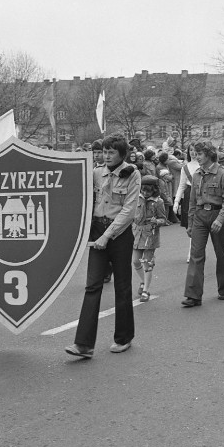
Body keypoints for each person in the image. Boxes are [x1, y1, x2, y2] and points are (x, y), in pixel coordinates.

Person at [66, 134, 141, 358]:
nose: (106, 156)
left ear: (122, 154)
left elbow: (128, 211)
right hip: (98, 230)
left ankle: (123, 337)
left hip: (118, 234)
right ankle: (84, 344)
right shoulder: (97, 173)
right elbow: (76, 192)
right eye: (104, 152)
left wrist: (107, 236)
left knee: (122, 286)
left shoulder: (132, 174)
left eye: (111, 152)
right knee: (92, 286)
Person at [182, 140, 224, 307]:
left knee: (221, 253)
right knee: (196, 255)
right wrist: (190, 223)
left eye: (199, 154)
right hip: (199, 216)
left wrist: (220, 219)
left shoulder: (222, 173)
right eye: (195, 154)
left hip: (217, 214)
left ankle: (223, 289)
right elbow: (191, 202)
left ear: (209, 154)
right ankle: (193, 295)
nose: (196, 157)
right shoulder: (196, 174)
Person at [131, 175, 168, 302]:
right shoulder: (136, 198)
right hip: (137, 233)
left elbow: (164, 219)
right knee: (135, 261)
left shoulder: (158, 202)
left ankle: (146, 290)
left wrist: (156, 221)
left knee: (147, 263)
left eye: (148, 190)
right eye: (143, 190)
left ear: (154, 190)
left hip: (150, 235)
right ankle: (143, 281)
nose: (145, 193)